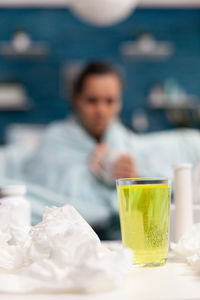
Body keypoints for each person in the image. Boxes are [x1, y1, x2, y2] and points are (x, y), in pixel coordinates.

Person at [1, 61, 200, 239]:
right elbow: (50, 188)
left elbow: (146, 183)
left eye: (109, 101)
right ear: (76, 100)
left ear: (119, 102)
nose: (101, 110)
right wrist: (90, 171)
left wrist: (132, 180)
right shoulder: (57, 137)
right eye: (92, 100)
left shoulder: (123, 141)